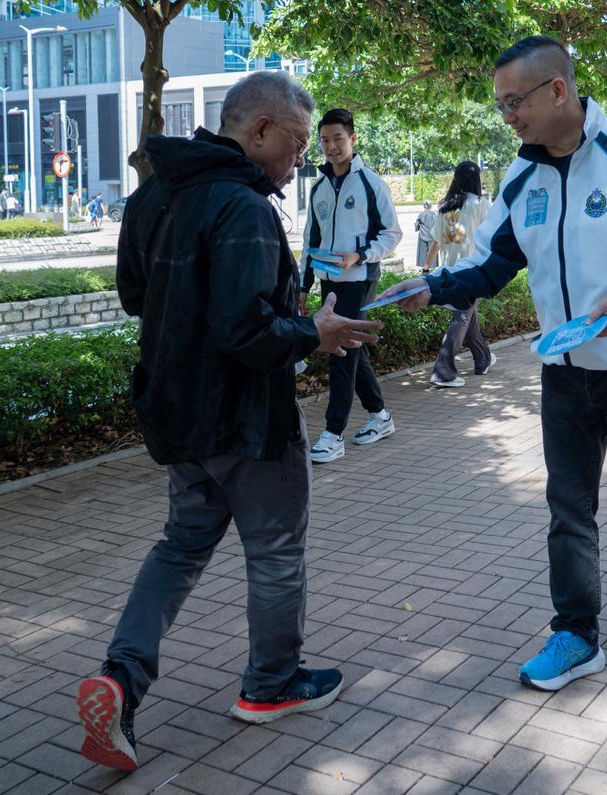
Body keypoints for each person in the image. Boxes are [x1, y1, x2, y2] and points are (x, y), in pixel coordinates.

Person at [75, 71, 381, 773]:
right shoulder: (243, 207)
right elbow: (248, 330)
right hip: (248, 419)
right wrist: (314, 331)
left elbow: (132, 296)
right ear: (259, 131)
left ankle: (119, 680)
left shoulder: (153, 192)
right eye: (298, 144)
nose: (300, 160)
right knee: (275, 549)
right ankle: (271, 683)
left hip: (177, 413)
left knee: (180, 547)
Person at [392, 35, 607, 706]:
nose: (509, 117)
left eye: (515, 102)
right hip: (563, 369)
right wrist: (433, 287)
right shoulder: (521, 178)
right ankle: (577, 635)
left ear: (557, 90)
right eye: (502, 106)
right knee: (569, 509)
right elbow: (493, 265)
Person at [298, 109, 402, 464]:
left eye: (338, 139)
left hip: (360, 280)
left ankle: (333, 434)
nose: (331, 147)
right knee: (352, 350)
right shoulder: (319, 187)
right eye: (325, 140)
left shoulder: (371, 183)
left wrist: (359, 255)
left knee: (341, 353)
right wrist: (303, 284)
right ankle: (380, 416)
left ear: (353, 139)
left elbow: (392, 234)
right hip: (328, 281)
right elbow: (310, 238)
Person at [427, 161, 495, 388]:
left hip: (448, 270)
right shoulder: (479, 204)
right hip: (470, 270)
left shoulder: (444, 206)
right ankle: (443, 371)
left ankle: (483, 358)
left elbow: (436, 241)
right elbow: (495, 236)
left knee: (467, 315)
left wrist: (427, 268)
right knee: (462, 317)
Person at [414, 200, 436, 270]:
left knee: (422, 252)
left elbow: (417, 225)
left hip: (422, 235)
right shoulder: (434, 214)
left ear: (424, 206)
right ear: (431, 205)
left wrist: (416, 227)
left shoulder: (421, 214)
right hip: (432, 235)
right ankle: (432, 266)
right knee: (432, 251)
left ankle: (424, 267)